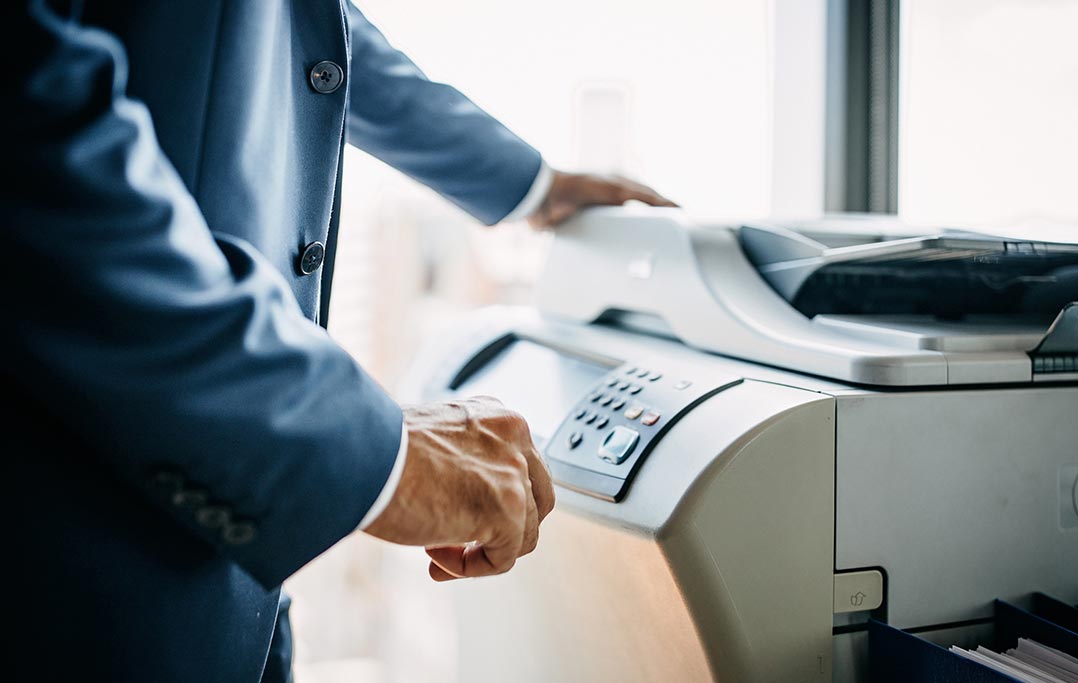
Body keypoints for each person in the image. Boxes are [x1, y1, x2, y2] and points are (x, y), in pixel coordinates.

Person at [4, 1, 675, 681]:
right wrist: (369, 452)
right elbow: (25, 131)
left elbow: (310, 28)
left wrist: (528, 183)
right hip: (77, 550)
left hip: (237, 577)